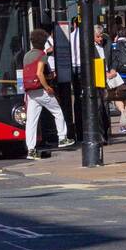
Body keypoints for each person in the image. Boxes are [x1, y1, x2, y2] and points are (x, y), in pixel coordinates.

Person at [22, 28, 75, 160]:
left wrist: (48, 76)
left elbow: (33, 71)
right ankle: (62, 138)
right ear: (43, 42)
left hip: (30, 92)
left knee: (31, 122)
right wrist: (47, 87)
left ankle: (31, 150)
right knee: (57, 111)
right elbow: (39, 73)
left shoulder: (27, 55)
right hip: (41, 90)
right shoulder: (42, 55)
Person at [108, 26, 126, 135]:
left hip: (117, 76)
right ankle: (124, 122)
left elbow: (111, 59)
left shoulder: (114, 45)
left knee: (118, 97)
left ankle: (122, 114)